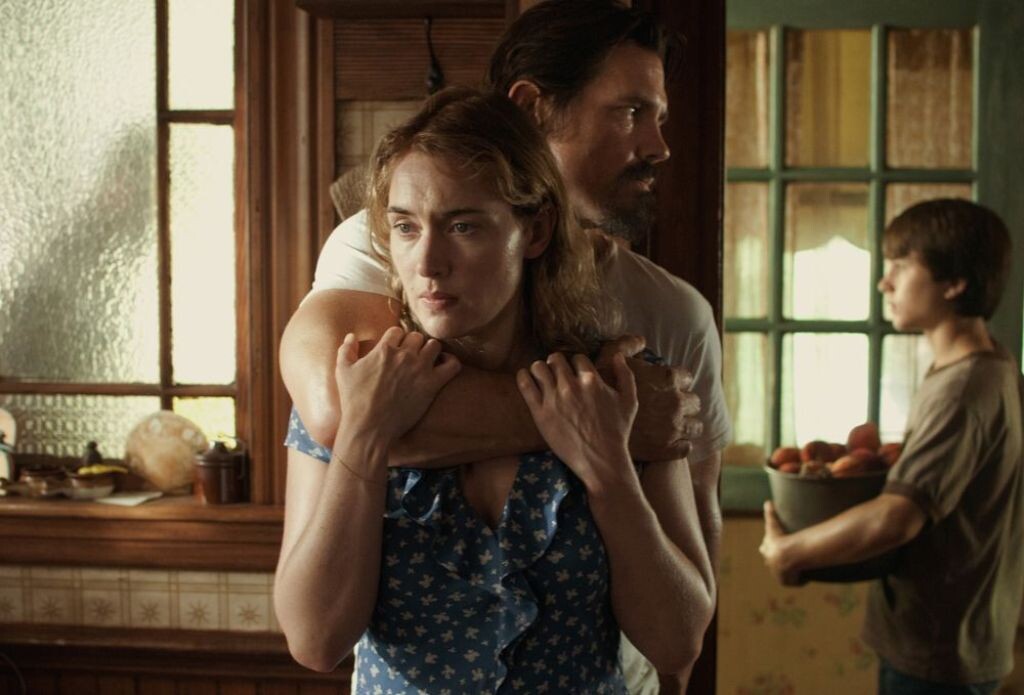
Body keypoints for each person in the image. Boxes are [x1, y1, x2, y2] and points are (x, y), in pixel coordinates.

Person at [278, 1, 733, 688]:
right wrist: (367, 435)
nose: (427, 262)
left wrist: (608, 463)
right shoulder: (362, 371)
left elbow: (679, 637)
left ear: (536, 231)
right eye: (404, 227)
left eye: (465, 227)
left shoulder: (630, 370)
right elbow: (315, 639)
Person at [759, 199, 1023, 694]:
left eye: (901, 266)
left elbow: (896, 518)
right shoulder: (994, 364)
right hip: (959, 640)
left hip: (936, 653)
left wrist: (788, 551)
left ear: (954, 282)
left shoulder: (963, 388)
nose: (885, 283)